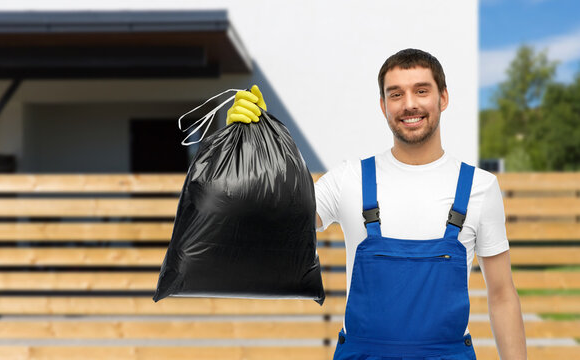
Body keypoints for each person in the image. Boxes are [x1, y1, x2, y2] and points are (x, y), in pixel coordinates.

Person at [225, 49, 527, 359]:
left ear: (443, 98)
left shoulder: (480, 187)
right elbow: (276, 218)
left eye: (421, 91)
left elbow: (502, 295)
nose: (409, 104)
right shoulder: (349, 179)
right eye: (396, 94)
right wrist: (250, 142)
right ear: (383, 105)